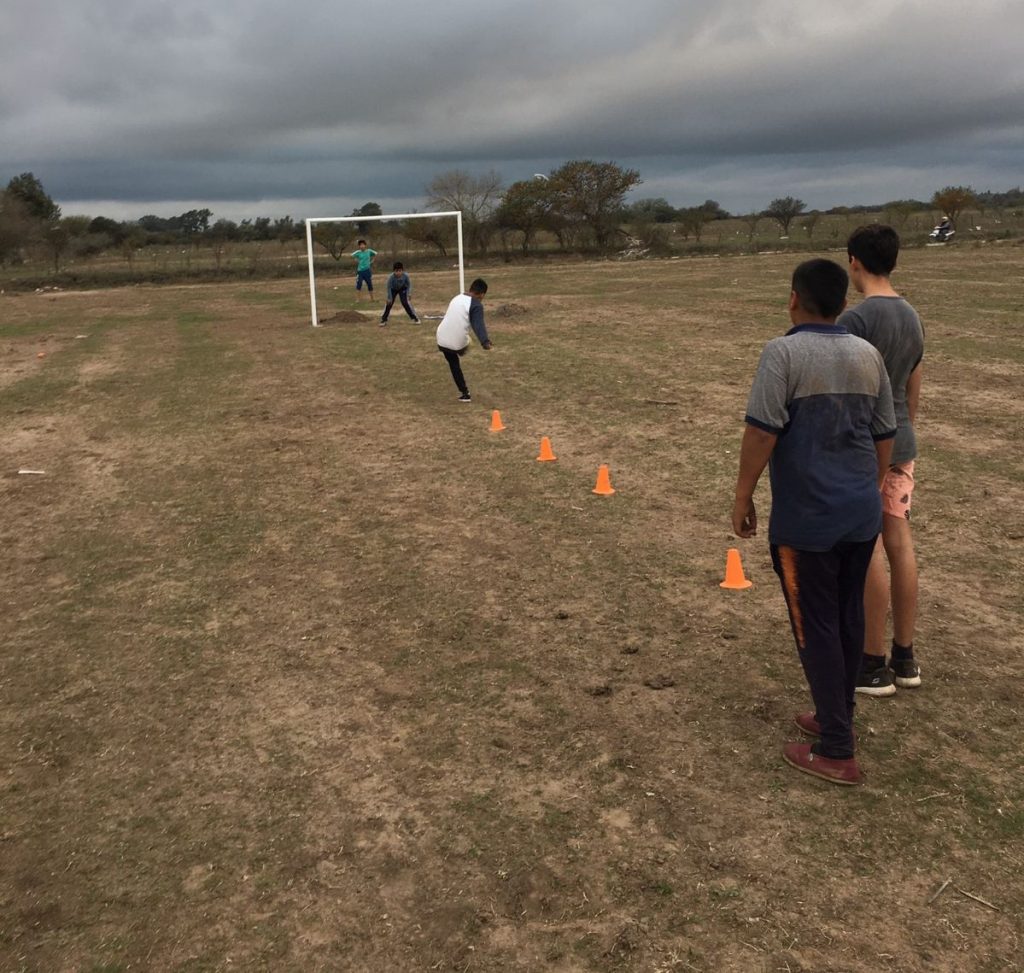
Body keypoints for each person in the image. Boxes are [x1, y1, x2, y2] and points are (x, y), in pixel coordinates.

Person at [732, 258, 896, 785]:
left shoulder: (782, 353)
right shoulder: (867, 354)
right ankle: (835, 714)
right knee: (847, 617)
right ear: (843, 304)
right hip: (859, 515)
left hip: (808, 523)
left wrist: (742, 495)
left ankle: (836, 749)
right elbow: (884, 433)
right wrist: (870, 488)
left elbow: (761, 433)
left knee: (816, 627)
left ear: (793, 299)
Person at [839, 225, 925, 697]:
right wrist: (904, 428)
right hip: (902, 442)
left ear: (854, 261)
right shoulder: (911, 315)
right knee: (900, 542)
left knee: (868, 545)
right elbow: (914, 382)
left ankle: (872, 664)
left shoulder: (856, 320)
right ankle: (906, 657)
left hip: (867, 446)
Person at [435, 279, 492, 402]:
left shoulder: (457, 297)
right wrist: (485, 341)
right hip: (457, 343)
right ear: (482, 294)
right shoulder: (476, 304)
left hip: (441, 338)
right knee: (465, 342)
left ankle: (465, 393)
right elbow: (478, 325)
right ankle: (462, 350)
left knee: (454, 364)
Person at [380, 262, 420, 326]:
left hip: (402, 289)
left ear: (402, 270)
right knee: (389, 304)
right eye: (396, 271)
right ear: (394, 271)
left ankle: (415, 318)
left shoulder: (405, 276)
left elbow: (409, 284)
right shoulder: (391, 277)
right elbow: (389, 287)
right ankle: (384, 319)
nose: (398, 273)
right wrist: (389, 298)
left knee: (405, 303)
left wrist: (409, 293)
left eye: (400, 271)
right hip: (393, 289)